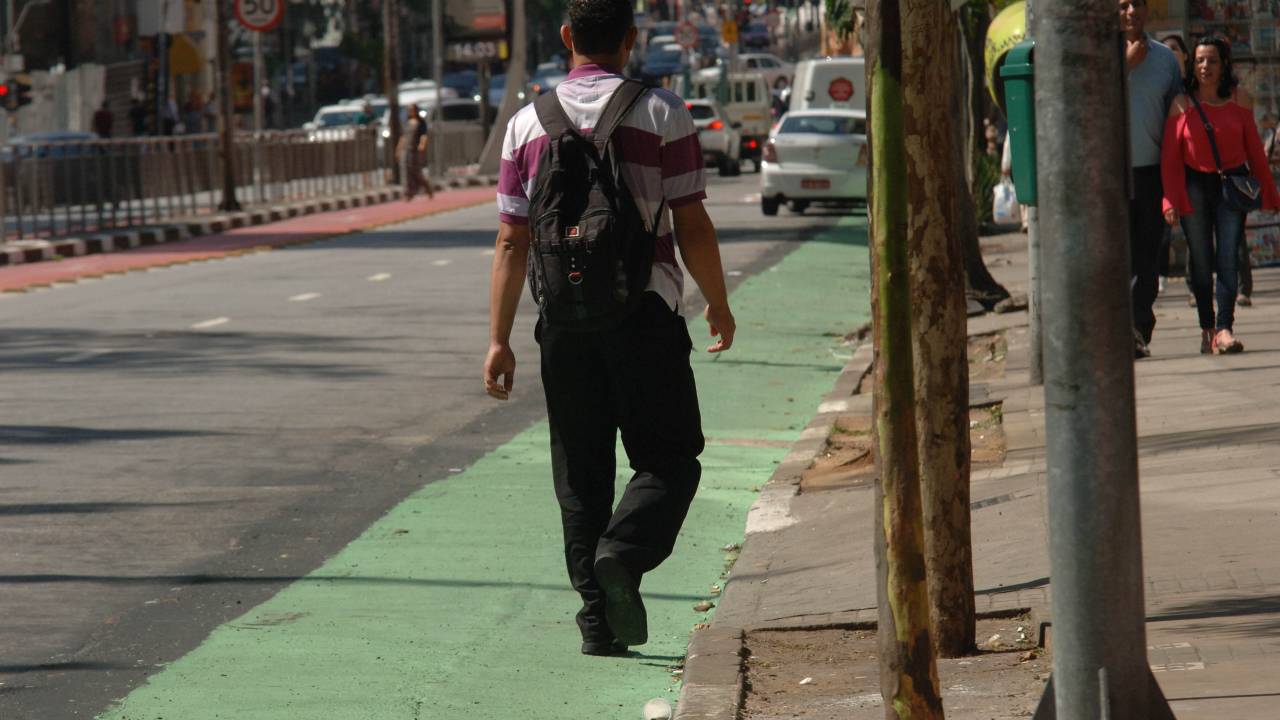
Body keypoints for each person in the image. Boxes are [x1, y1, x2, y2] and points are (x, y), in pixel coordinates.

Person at [483, 0, 736, 656]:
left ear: (567, 37)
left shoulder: (525, 126)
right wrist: (718, 302)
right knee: (671, 458)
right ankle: (623, 553)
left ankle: (598, 624)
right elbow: (692, 222)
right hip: (647, 314)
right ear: (631, 39)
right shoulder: (663, 112)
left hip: (563, 323)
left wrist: (499, 338)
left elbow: (512, 241)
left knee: (582, 476)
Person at [1161, 35, 1280, 354]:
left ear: (1224, 64)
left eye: (1212, 60)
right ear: (1192, 64)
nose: (1205, 66)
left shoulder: (1241, 100)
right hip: (1194, 187)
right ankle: (1207, 327)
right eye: (1199, 60)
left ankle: (1225, 328)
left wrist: (1270, 194)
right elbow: (1171, 159)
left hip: (1232, 185)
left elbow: (1255, 151)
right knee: (1200, 262)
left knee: (1228, 257)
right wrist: (1170, 198)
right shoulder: (1181, 104)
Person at [1122, 0, 1184, 359]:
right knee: (1117, 258)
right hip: (1107, 176)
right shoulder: (1098, 56)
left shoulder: (1163, 58)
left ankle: (1138, 329)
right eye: (1123, 4)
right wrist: (1123, 66)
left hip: (1151, 174)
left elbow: (1177, 115)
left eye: (1138, 4)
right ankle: (1117, 329)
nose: (1132, 11)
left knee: (1147, 258)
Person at [1160, 34, 1191, 298]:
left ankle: (1195, 283)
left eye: (1174, 49)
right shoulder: (1158, 82)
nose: (1169, 54)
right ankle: (1160, 271)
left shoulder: (1192, 87)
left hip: (1193, 167)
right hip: (1164, 161)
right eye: (1164, 50)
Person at [396, 103, 434, 200]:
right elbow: (403, 137)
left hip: (415, 150)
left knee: (416, 171)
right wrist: (399, 149)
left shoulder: (420, 122)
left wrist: (422, 145)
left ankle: (426, 187)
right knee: (406, 170)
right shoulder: (408, 122)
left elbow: (424, 135)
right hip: (407, 149)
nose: (410, 111)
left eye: (412, 109)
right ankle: (409, 192)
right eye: (409, 110)